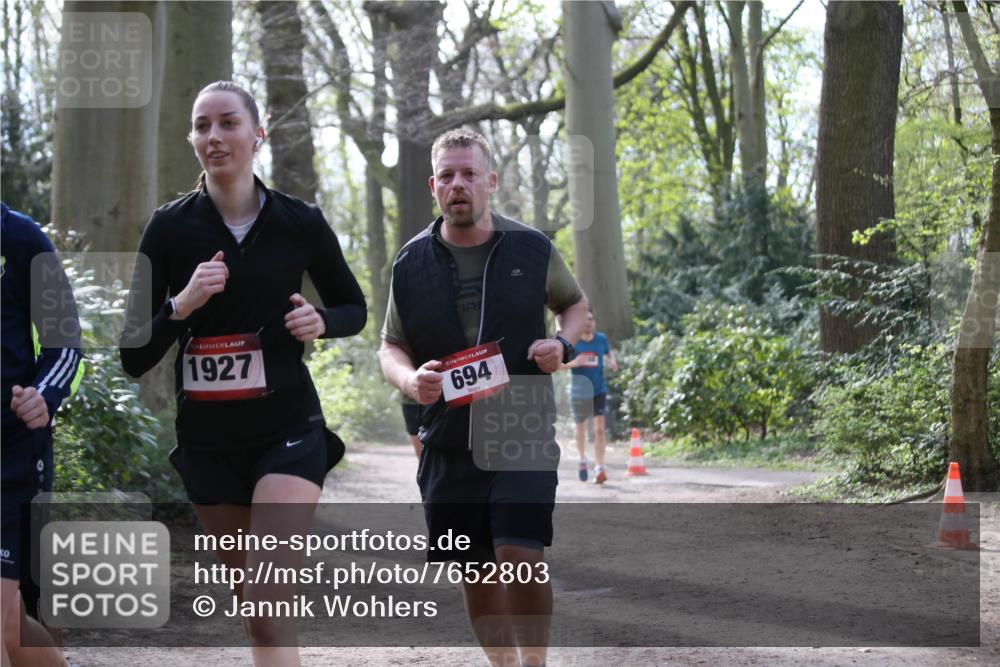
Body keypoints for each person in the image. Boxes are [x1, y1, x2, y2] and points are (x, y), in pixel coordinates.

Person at [119, 81, 365, 667]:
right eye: (202, 126)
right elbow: (133, 353)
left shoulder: (299, 222)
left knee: (265, 600)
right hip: (208, 442)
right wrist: (180, 305)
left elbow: (353, 308)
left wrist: (319, 321)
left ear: (258, 135)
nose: (214, 137)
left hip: (287, 428)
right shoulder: (170, 228)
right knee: (261, 616)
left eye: (228, 123)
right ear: (192, 140)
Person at [378, 128, 588, 667]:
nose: (458, 184)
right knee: (476, 570)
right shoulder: (409, 263)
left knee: (520, 554)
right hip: (448, 436)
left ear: (491, 182)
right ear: (433, 186)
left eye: (470, 173)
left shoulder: (531, 247)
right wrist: (409, 380)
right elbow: (390, 347)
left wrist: (560, 344)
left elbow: (577, 309)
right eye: (447, 175)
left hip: (521, 426)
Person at [2, 203, 82, 667]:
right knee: (10, 625)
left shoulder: (21, 238)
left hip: (10, 454)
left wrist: (41, 394)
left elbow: (65, 342)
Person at [562, 309, 618, 484]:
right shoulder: (573, 342)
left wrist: (612, 360)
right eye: (585, 320)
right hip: (579, 392)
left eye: (591, 319)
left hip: (599, 390)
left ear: (594, 322)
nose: (589, 322)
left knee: (600, 429)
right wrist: (575, 363)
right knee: (581, 430)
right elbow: (558, 365)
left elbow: (608, 351)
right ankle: (582, 459)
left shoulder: (601, 339)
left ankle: (599, 467)